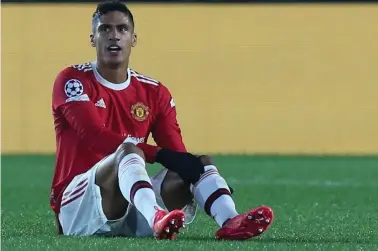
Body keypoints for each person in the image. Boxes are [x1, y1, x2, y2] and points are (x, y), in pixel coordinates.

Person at [50, 0, 274, 240]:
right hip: (79, 206)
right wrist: (159, 154)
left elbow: (176, 154)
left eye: (122, 29)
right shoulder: (72, 80)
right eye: (105, 29)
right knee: (128, 150)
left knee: (198, 163)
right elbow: (94, 136)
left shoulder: (154, 93)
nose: (113, 36)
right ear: (93, 39)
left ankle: (231, 220)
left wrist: (200, 177)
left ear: (133, 39)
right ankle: (157, 217)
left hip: (134, 203)